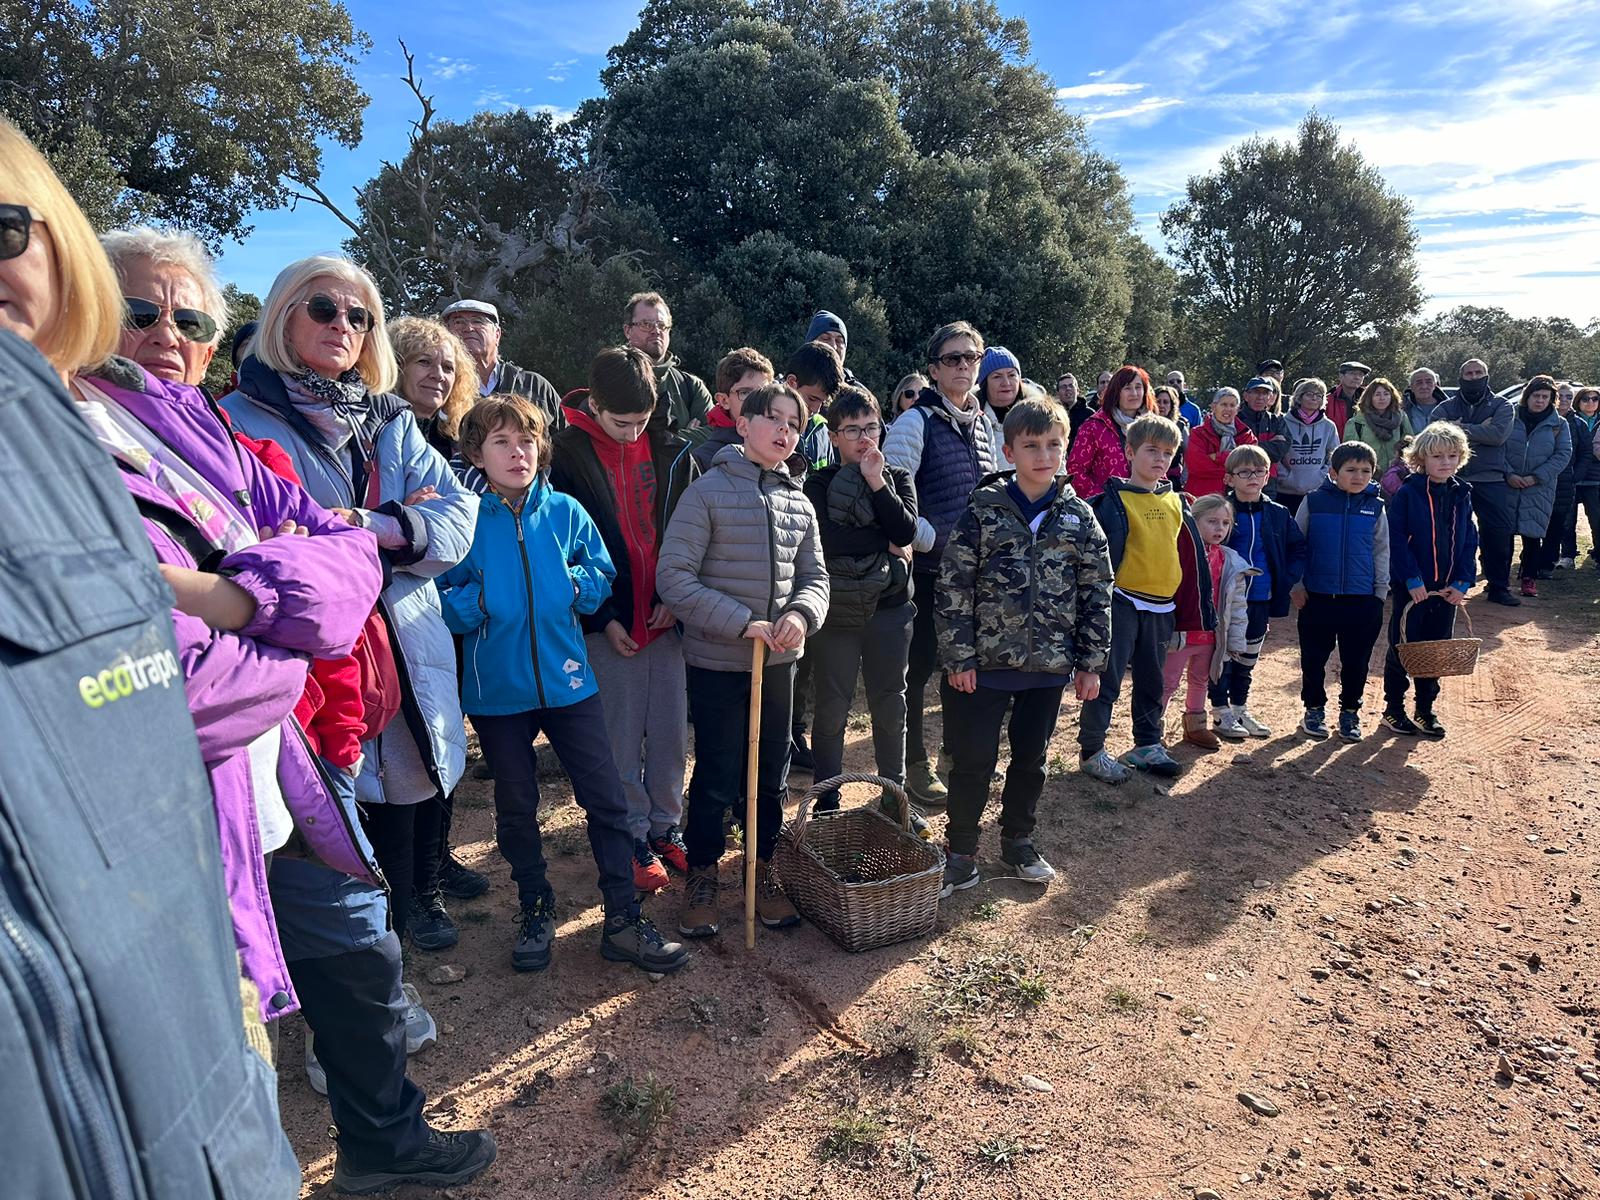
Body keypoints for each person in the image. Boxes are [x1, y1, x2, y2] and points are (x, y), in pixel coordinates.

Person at [0, 123, 305, 1198]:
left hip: (208, 848)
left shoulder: (195, 435)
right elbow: (165, 687)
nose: (167, 331)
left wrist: (253, 604)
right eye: (143, 311)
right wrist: (277, 627)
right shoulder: (80, 435)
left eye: (189, 317)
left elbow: (343, 558)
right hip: (119, 902)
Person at [221, 257, 477, 969]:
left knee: (411, 779)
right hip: (313, 663)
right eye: (324, 309)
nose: (345, 325)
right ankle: (342, 990)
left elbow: (459, 523)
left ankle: (401, 924)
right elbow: (270, 558)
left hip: (408, 643)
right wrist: (396, 531)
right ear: (282, 315)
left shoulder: (390, 419)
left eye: (360, 316)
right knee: (324, 817)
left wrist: (357, 525)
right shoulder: (235, 421)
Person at [439, 395, 687, 975]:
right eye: (501, 442)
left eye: (526, 440)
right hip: (497, 692)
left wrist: (574, 587)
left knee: (605, 798)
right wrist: (477, 601)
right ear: (478, 452)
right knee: (517, 804)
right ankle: (535, 904)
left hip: (571, 683)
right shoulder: (463, 519)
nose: (517, 452)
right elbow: (440, 599)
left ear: (541, 447)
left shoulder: (567, 512)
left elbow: (600, 575)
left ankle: (623, 918)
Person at [657, 381, 830, 938]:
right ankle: (703, 875)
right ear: (745, 423)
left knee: (772, 776)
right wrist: (740, 621)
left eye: (794, 424)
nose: (785, 431)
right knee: (715, 774)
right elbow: (674, 578)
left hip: (779, 665)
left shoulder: (799, 501)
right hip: (718, 663)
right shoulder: (705, 493)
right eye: (774, 418)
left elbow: (816, 579)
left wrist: (801, 616)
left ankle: (765, 869)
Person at [936, 399, 1111, 893]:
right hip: (984, 667)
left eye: (1053, 444)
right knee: (972, 761)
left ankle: (1017, 841)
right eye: (1031, 446)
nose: (1043, 455)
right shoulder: (983, 513)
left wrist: (1090, 662)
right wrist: (959, 657)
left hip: (1048, 668)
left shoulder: (1079, 518)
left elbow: (1098, 590)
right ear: (1009, 450)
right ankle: (962, 849)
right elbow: (953, 587)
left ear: (1066, 449)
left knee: (1030, 760)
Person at [549, 347, 696, 892]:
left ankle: (666, 827)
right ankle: (630, 833)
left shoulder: (675, 449)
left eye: (641, 421)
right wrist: (604, 616)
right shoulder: (561, 455)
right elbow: (562, 549)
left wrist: (675, 597)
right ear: (593, 403)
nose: (633, 434)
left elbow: (688, 534)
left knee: (669, 732)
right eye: (620, 422)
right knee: (620, 733)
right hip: (606, 623)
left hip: (667, 615)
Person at [883, 321, 999, 807]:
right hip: (929, 575)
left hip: (976, 575)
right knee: (916, 673)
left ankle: (956, 755)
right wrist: (933, 543)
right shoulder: (915, 422)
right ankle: (915, 765)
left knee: (962, 667)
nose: (963, 366)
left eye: (971, 357)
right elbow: (891, 494)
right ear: (933, 369)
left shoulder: (987, 423)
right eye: (952, 358)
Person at [803, 385, 920, 823]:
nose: (863, 437)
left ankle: (895, 798)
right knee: (831, 708)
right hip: (837, 614)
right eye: (851, 430)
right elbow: (827, 541)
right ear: (833, 437)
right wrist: (884, 542)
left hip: (891, 610)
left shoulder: (898, 477)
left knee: (891, 704)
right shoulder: (820, 482)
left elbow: (905, 530)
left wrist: (875, 480)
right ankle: (828, 804)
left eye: (871, 427)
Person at [1078, 414, 1213, 783]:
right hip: (1120, 603)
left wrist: (1195, 612)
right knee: (1106, 678)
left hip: (1161, 607)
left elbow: (1190, 558)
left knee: (1153, 679)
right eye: (1151, 450)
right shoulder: (1110, 501)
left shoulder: (1176, 502)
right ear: (1129, 452)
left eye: (1167, 453)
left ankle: (1147, 744)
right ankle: (1092, 750)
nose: (1159, 459)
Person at [1381, 423, 1477, 739]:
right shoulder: (1409, 493)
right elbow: (1395, 539)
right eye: (1437, 456)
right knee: (1403, 645)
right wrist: (1411, 578)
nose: (1445, 462)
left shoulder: (1462, 493)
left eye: (1452, 455)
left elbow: (1468, 540)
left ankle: (1425, 710)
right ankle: (1393, 710)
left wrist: (1463, 581)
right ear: (1422, 458)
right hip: (1414, 588)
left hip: (1447, 589)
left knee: (1435, 650)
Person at [1291, 442, 1390, 742]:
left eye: (1365, 471)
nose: (1358, 476)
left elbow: (1381, 551)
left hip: (1361, 600)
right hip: (1318, 597)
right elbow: (1297, 545)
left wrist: (1379, 593)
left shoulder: (1376, 507)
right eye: (1351, 470)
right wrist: (1297, 586)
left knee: (1357, 660)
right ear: (1334, 473)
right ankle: (1314, 708)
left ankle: (1350, 712)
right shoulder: (1314, 502)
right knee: (1313, 657)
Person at [1214, 445, 1306, 740]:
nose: (1252, 477)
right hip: (1225, 601)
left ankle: (1239, 708)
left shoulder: (1278, 513)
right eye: (1244, 472)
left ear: (1268, 476)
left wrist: (1287, 579)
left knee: (1247, 659)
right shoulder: (1221, 511)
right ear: (1230, 478)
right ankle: (1220, 712)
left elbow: (1298, 548)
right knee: (1223, 657)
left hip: (1261, 599)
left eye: (1259, 471)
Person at [1164, 494, 1257, 750]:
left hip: (1210, 635)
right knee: (1167, 683)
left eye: (1226, 523)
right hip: (1181, 632)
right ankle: (1152, 731)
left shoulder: (1230, 560)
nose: (1220, 528)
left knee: (1201, 680)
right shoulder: (1178, 552)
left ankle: (1195, 727)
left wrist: (1236, 638)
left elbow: (1237, 605)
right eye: (1212, 521)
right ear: (1193, 521)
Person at [1432, 359, 1518, 605]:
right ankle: (1446, 583)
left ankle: (1498, 586)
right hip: (1452, 478)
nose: (1473, 376)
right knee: (1447, 532)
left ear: (1486, 375)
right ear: (1461, 377)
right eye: (1468, 373)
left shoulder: (1502, 405)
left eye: (1478, 372)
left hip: (1491, 479)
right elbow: (1437, 433)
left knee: (1498, 533)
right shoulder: (1445, 406)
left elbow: (1498, 435)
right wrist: (1480, 429)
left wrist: (1458, 429)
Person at [440, 297, 563, 429]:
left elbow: (566, 440)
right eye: (458, 322)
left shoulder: (535, 386)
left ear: (497, 335)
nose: (469, 328)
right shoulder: (440, 386)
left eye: (478, 321)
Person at [1504, 376, 1572, 598]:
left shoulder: (1559, 425)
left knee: (1532, 536)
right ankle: (1499, 578)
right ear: (1527, 396)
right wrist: (1508, 473)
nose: (1540, 400)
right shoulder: (1509, 417)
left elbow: (1563, 455)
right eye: (1536, 396)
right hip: (1508, 484)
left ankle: (1528, 577)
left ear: (1552, 399)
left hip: (1539, 487)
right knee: (1502, 534)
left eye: (1546, 397)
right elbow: (1497, 447)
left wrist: (1537, 477)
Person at [390, 315, 480, 465]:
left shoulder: (464, 445)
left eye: (448, 368)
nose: (439, 376)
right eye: (424, 362)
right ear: (396, 367)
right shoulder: (368, 434)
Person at [623, 291, 712, 432]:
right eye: (646, 324)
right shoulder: (614, 378)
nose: (656, 331)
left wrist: (669, 441)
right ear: (627, 331)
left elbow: (713, 438)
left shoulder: (691, 387)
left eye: (662, 325)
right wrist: (683, 438)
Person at [1067, 364, 1156, 501]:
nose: (1134, 393)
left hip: (1146, 507)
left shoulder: (1152, 426)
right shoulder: (1093, 426)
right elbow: (1075, 470)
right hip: (1107, 513)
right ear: (1116, 392)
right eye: (1127, 388)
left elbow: (1159, 467)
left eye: (1138, 387)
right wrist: (1104, 500)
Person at [690, 346, 775, 473]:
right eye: (745, 393)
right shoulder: (703, 460)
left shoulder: (782, 450)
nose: (758, 400)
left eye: (764, 392)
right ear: (724, 401)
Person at [1278, 377, 1339, 515]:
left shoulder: (1328, 426)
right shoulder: (1282, 422)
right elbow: (1276, 454)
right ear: (1299, 397)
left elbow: (1334, 455)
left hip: (1317, 491)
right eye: (1310, 394)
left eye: (1319, 395)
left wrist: (1322, 477)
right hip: (1286, 492)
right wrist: (1285, 477)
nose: (1314, 398)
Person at [1185, 386, 1256, 497]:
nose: (1228, 409)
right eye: (1223, 404)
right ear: (1213, 407)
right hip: (1202, 496)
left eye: (1232, 405)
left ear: (1237, 410)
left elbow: (1252, 466)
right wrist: (1235, 470)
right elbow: (1197, 467)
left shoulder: (1246, 434)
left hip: (1237, 498)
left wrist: (1217, 457)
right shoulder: (1198, 433)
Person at [789, 338, 845, 477]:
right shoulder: (767, 424)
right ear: (791, 383)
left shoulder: (822, 430)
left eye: (823, 402)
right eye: (812, 399)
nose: (816, 409)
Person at [1561, 387, 1600, 568]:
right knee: (1567, 520)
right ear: (1578, 401)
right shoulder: (1570, 421)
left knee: (1597, 519)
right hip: (1571, 477)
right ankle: (1568, 555)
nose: (1590, 402)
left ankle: (1598, 555)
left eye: (1595, 398)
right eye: (1585, 398)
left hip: (1595, 479)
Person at [1345, 375, 1413, 476]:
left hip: (1396, 476)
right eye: (1377, 394)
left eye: (1386, 394)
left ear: (1392, 396)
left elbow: (1410, 445)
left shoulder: (1401, 418)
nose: (1382, 398)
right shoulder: (1356, 422)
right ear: (1369, 397)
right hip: (1367, 476)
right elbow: (1349, 454)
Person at [1238, 375, 1290, 495]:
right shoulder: (1236, 420)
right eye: (1256, 392)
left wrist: (1251, 446)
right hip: (1240, 479)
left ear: (1270, 397)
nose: (1260, 397)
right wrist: (1269, 444)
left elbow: (1280, 451)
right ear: (1246, 396)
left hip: (1268, 481)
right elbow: (1235, 451)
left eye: (1265, 393)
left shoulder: (1277, 420)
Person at [978, 346, 1024, 447]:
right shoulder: (974, 423)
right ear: (984, 384)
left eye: (1012, 375)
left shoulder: (1038, 417)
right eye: (997, 377)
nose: (1006, 383)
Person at [806, 309, 859, 385]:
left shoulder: (856, 394)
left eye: (839, 341)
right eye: (825, 338)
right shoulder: (787, 388)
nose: (833, 346)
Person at [1152, 384, 1191, 487]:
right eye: (1158, 401)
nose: (1161, 405)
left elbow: (1189, 453)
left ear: (1172, 405)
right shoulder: (1146, 425)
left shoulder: (1181, 426)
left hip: (1174, 478)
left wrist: (1184, 477)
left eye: (1166, 402)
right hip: (1150, 475)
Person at [1325, 361, 1367, 436]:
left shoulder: (1368, 400)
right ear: (1341, 376)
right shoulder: (1327, 401)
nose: (1357, 377)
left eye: (1360, 375)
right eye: (1352, 373)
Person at [1057, 371, 1094, 441]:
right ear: (1058, 393)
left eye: (1071, 385)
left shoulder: (1089, 415)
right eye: (1063, 387)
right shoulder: (1054, 415)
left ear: (1078, 390)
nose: (1068, 389)